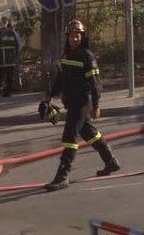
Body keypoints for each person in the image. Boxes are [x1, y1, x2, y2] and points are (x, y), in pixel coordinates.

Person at [45, 19, 120, 191]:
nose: (75, 39)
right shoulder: (66, 57)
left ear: (82, 36)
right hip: (71, 102)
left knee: (70, 137)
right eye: (72, 36)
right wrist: (50, 97)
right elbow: (59, 81)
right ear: (68, 37)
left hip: (82, 102)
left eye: (78, 35)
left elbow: (95, 83)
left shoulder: (87, 56)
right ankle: (111, 162)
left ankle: (62, 176)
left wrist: (97, 104)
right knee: (89, 133)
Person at [0, 16, 20, 98]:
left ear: (1, 23)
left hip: (2, 58)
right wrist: (16, 56)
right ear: (7, 23)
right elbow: (18, 45)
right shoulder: (13, 33)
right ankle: (7, 93)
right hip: (11, 59)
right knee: (9, 77)